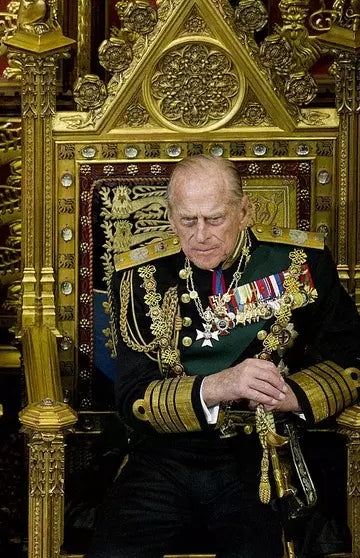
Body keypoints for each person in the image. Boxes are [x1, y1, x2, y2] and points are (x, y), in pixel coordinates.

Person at [88, 154, 360, 557]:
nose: (200, 235)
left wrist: (296, 397)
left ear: (244, 211)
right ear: (170, 216)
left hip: (257, 452)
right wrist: (217, 386)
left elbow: (351, 356)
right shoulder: (138, 277)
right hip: (164, 456)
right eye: (187, 220)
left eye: (214, 219)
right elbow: (134, 400)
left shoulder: (297, 263)